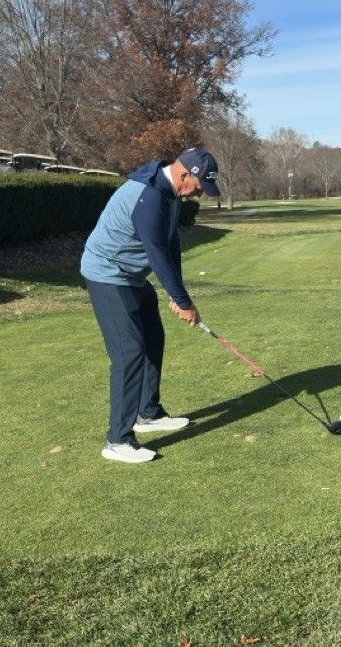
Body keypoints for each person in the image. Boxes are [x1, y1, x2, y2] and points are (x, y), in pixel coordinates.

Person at [80, 148, 220, 464]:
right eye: (198, 185)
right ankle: (117, 440)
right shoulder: (150, 196)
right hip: (108, 274)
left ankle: (148, 413)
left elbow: (170, 245)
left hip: (131, 275)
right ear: (185, 174)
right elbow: (156, 254)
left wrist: (178, 294)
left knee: (153, 338)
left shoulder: (169, 193)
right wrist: (183, 302)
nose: (199, 192)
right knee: (129, 352)